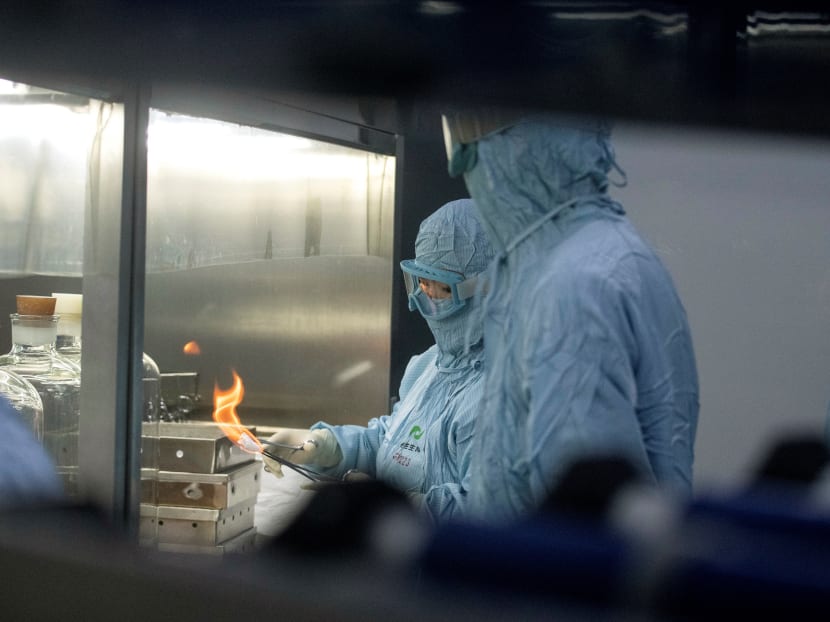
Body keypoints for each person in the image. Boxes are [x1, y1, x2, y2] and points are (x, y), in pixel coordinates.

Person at [441, 110, 700, 523]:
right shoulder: (600, 251)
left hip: (543, 582)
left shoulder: (573, 285)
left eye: (462, 135)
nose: (461, 162)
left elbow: (582, 514)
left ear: (512, 145)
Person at [262, 198, 496, 524]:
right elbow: (392, 442)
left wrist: (388, 505)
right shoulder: (428, 366)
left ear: (488, 290)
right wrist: (325, 446)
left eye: (440, 291)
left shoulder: (499, 394)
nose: (423, 305)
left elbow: (485, 514)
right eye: (420, 284)